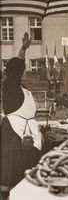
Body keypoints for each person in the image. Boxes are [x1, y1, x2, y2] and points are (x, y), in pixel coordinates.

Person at [0, 33, 42, 199]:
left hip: (27, 132)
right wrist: (23, 49)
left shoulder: (22, 87)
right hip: (14, 134)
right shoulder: (9, 84)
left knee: (26, 173)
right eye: (21, 68)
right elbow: (16, 67)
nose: (23, 70)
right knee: (11, 174)